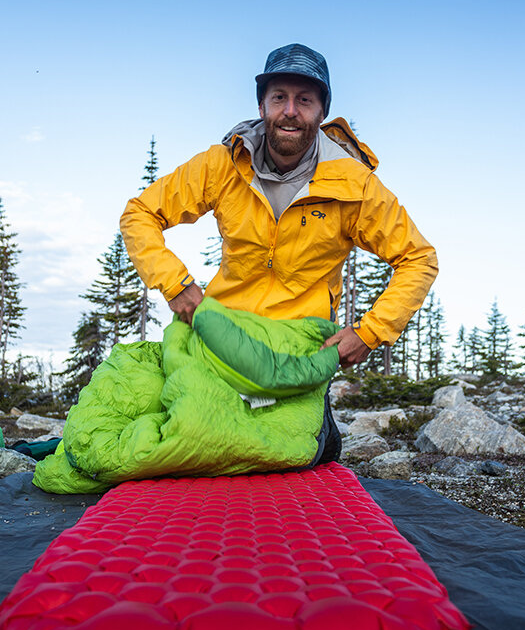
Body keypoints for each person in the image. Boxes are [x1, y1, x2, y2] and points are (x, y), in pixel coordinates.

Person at [120, 43, 438, 461]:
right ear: (262, 105)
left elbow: (418, 259)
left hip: (297, 346)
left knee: (287, 452)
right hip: (223, 333)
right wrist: (175, 284)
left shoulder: (354, 185)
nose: (291, 110)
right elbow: (140, 212)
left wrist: (368, 333)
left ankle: (319, 427)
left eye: (304, 100)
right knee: (185, 428)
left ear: (322, 111)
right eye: (279, 98)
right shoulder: (223, 164)